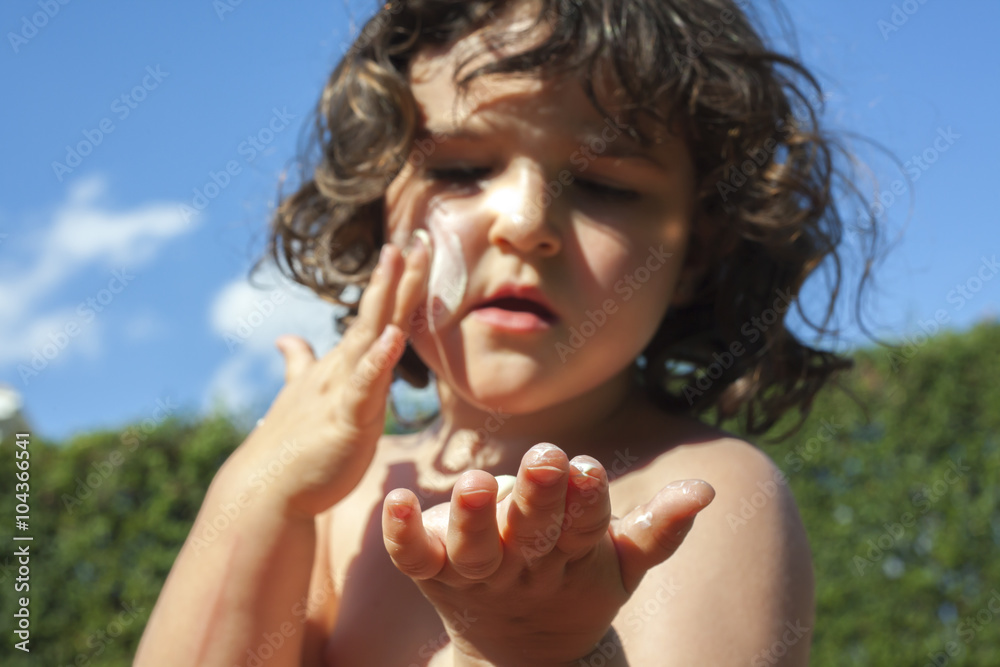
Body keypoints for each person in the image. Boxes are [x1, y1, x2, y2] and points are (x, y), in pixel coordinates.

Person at [136, 0, 874, 664]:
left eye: (604, 184)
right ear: (377, 212)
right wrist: (259, 488)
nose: (525, 222)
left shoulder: (696, 496)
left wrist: (533, 651)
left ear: (695, 254)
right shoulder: (335, 502)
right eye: (459, 171)